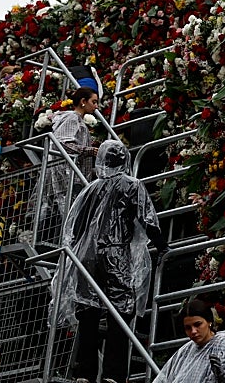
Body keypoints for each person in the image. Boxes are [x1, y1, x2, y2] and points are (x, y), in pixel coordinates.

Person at [51, 139, 167, 383]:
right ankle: (113, 375)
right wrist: (162, 245)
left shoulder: (89, 190)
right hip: (115, 254)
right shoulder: (132, 185)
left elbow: (74, 228)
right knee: (120, 313)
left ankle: (85, 373)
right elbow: (148, 219)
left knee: (88, 313)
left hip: (86, 258)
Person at [153, 298, 225, 383]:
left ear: (209, 321)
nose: (193, 331)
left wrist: (224, 377)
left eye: (197, 324)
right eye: (188, 328)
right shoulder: (184, 353)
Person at [46, 87, 100, 223]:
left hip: (73, 176)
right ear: (83, 101)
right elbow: (63, 143)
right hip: (68, 176)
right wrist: (89, 151)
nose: (96, 106)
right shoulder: (72, 118)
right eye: (94, 102)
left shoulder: (78, 120)